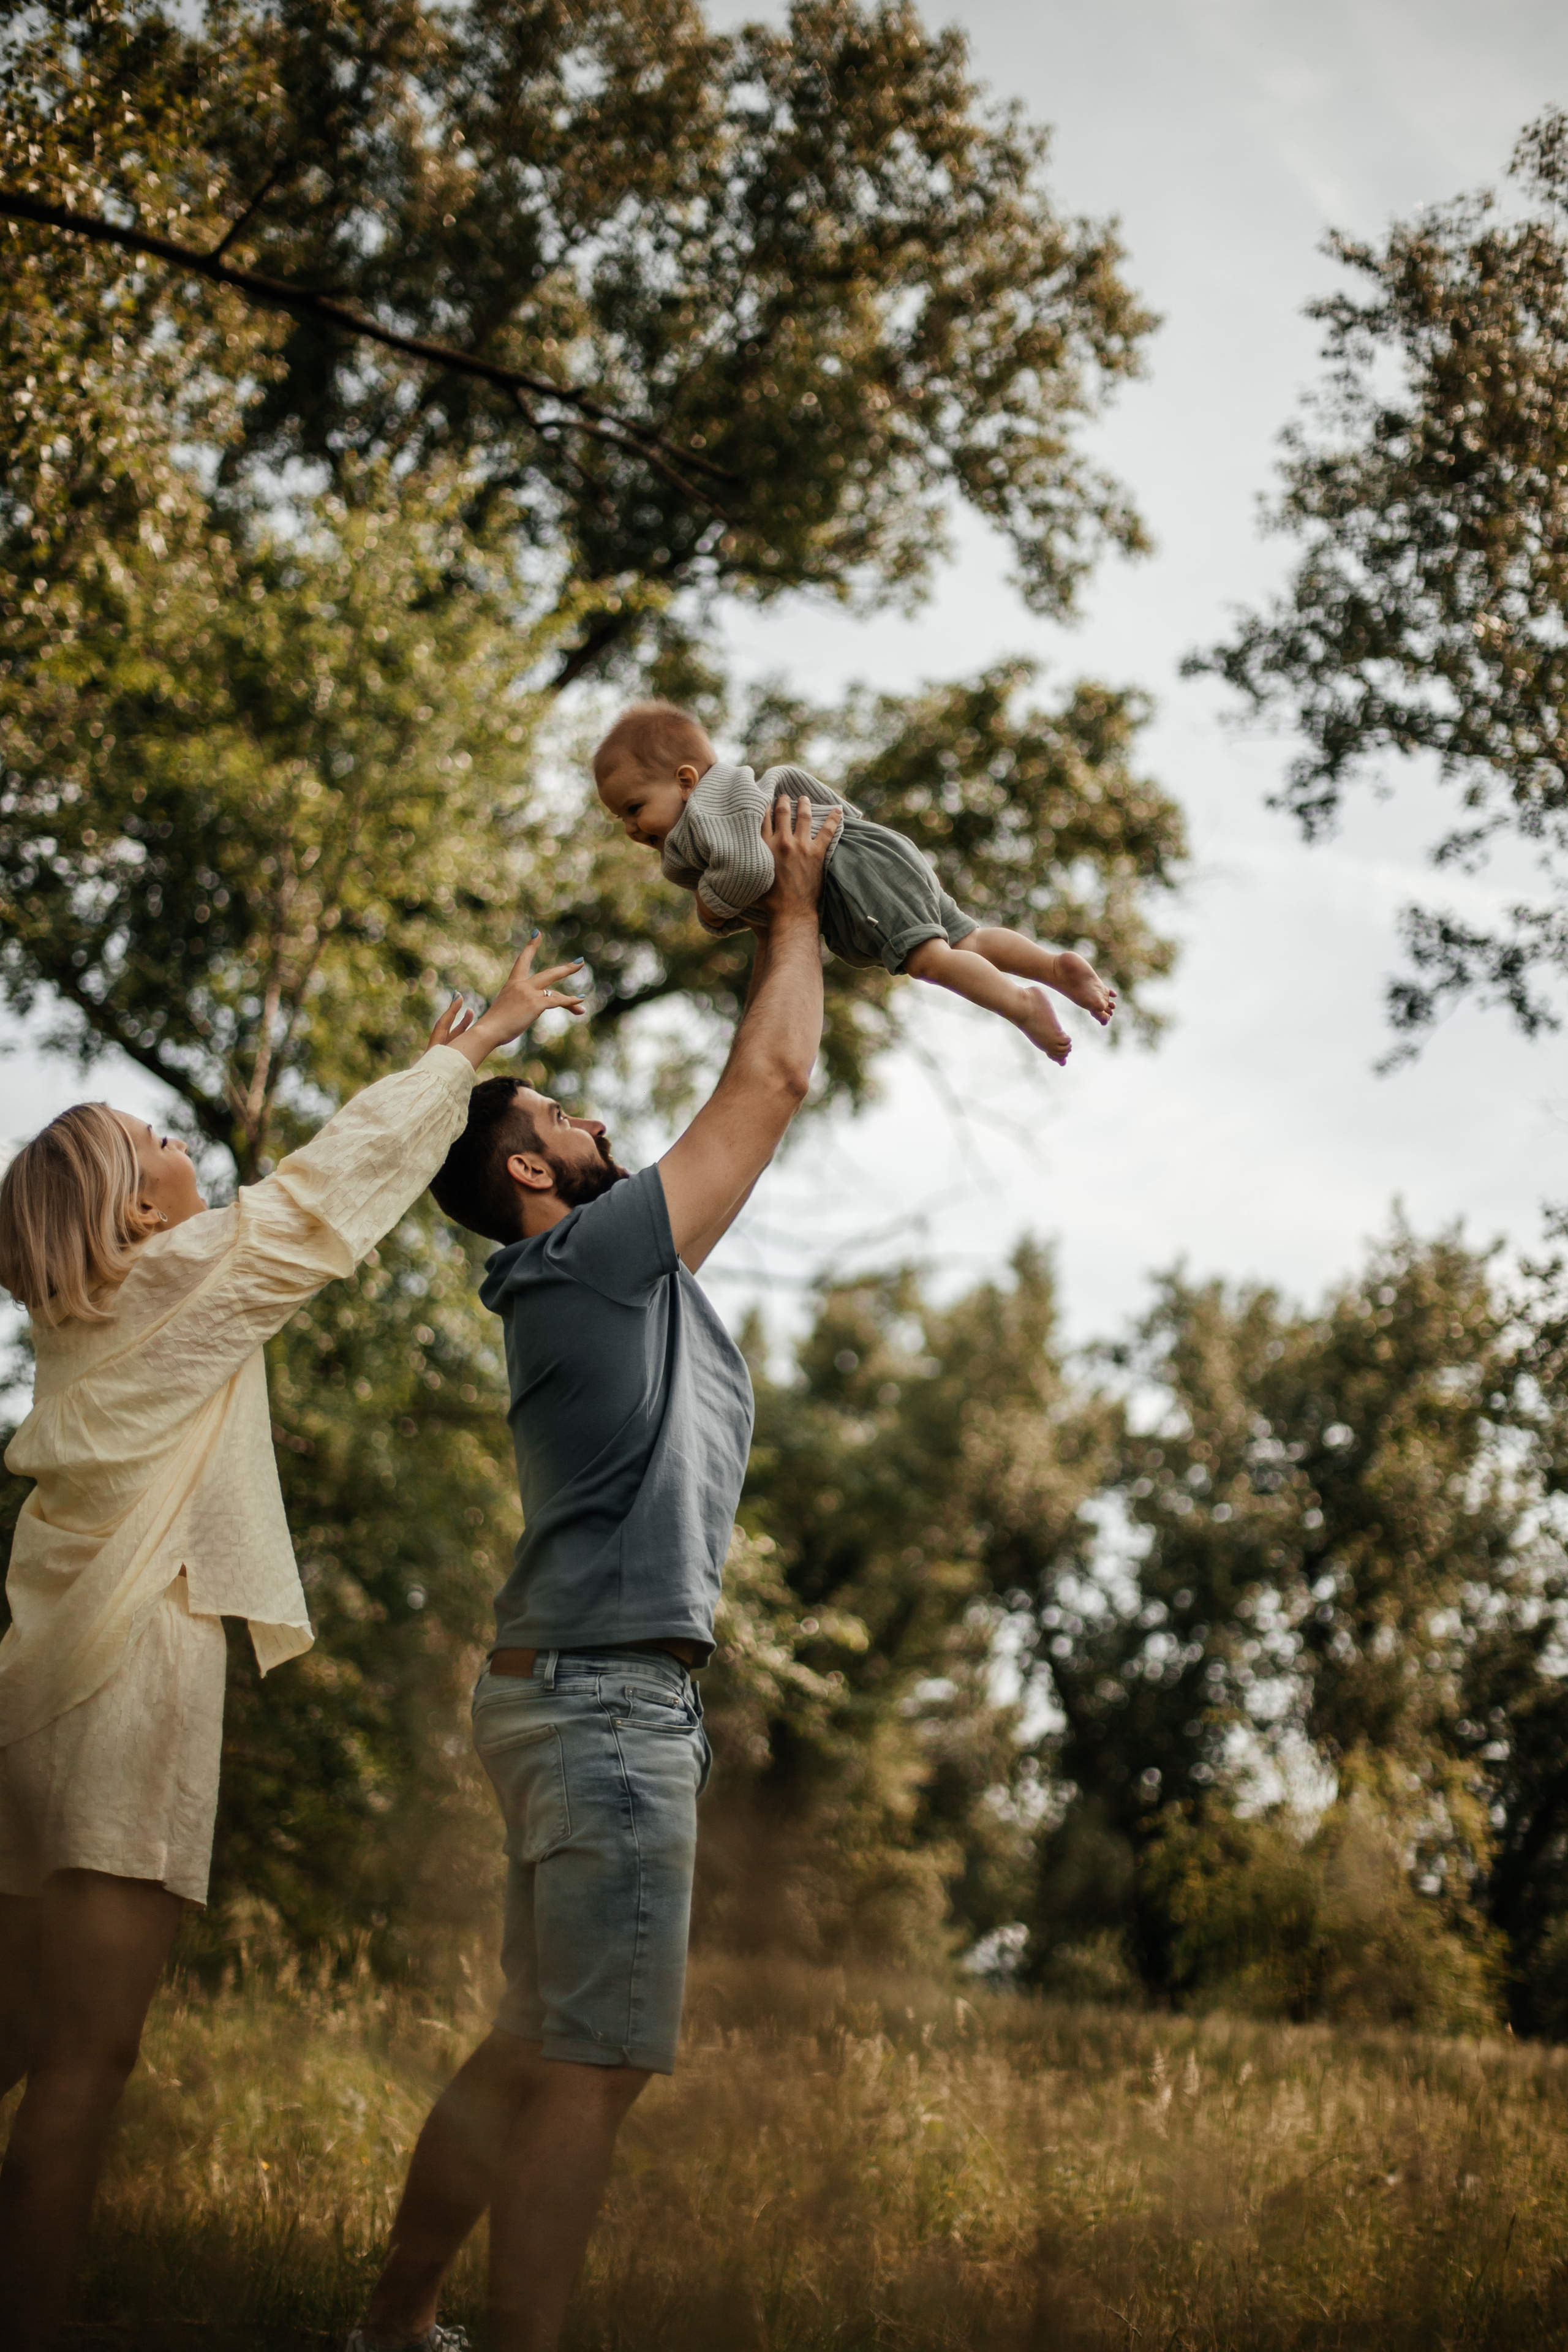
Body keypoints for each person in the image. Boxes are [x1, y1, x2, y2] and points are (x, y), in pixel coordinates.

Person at [0, 938, 586, 2352]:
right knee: (86, 2061)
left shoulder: (94, 1328)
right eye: (150, 1140)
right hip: (121, 1697)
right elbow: (316, 1205)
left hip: (40, 1702)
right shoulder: (164, 1287)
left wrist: (435, 1078)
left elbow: (312, 1194)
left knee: (23, 2033)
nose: (174, 1140)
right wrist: (470, 1054)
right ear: (126, 1208)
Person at [351, 794, 838, 2352]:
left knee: (536, 2039)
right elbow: (770, 1081)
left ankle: (394, 2326)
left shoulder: (604, 1273)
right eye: (561, 1115)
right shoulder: (588, 1259)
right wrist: (794, 909)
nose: (593, 1123)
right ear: (530, 1171)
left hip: (571, 1695)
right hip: (606, 1709)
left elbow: (748, 1093)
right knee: (593, 2060)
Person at [593, 696, 1118, 1063]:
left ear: (686, 781)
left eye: (635, 807)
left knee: (928, 960)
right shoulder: (738, 790)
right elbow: (810, 795)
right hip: (874, 851)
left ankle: (1021, 1005)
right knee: (968, 939)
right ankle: (1055, 966)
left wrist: (711, 910)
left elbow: (750, 869)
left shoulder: (709, 813)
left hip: (852, 871)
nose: (631, 828)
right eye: (620, 818)